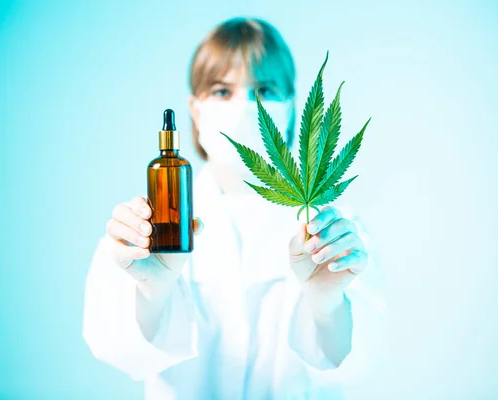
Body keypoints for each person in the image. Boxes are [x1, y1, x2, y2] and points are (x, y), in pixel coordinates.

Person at [82, 17, 387, 399]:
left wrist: (326, 303)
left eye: (264, 89)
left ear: (291, 108)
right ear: (195, 110)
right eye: (223, 91)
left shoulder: (333, 228)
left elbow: (359, 363)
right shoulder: (147, 226)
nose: (246, 107)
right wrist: (152, 291)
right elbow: (114, 347)